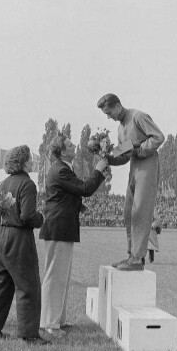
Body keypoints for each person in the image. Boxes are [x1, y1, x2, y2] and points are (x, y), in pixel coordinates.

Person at [39, 133, 108, 337]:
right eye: (69, 144)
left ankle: (57, 320)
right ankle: (50, 323)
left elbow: (71, 194)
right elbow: (85, 188)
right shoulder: (60, 170)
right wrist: (98, 169)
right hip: (59, 228)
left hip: (62, 227)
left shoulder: (63, 169)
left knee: (61, 276)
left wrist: (78, 205)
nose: (74, 145)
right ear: (61, 151)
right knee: (55, 276)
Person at [0, 145, 50, 344]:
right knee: (28, 286)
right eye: (30, 159)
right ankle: (29, 334)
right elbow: (27, 215)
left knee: (2, 284)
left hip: (0, 235)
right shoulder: (27, 184)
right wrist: (41, 219)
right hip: (19, 237)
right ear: (24, 163)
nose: (33, 161)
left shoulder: (5, 182)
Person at [97, 93, 165, 271]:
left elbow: (158, 137)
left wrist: (139, 149)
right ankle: (132, 256)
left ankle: (137, 258)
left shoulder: (138, 117)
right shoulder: (120, 129)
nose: (109, 117)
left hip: (147, 165)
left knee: (140, 212)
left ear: (118, 105)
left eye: (109, 112)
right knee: (128, 212)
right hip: (134, 167)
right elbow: (124, 156)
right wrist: (108, 158)